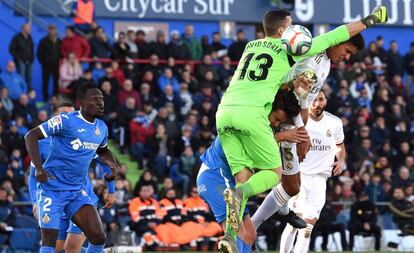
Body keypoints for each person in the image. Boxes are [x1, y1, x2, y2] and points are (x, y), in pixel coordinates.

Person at [215, 7, 387, 252]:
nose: (347, 57)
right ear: (284, 31)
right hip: (266, 118)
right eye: (292, 24)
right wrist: (371, 20)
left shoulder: (251, 45)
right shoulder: (297, 52)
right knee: (275, 175)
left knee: (259, 181)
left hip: (226, 111)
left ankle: (233, 236)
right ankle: (264, 215)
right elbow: (335, 36)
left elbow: (302, 98)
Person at [251, 34, 365, 239]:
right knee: (286, 182)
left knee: (290, 185)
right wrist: (303, 135)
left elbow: (304, 103)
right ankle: (251, 228)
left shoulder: (326, 63)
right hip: (280, 121)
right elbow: (295, 103)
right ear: (338, 42)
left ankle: (278, 214)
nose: (347, 57)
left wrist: (303, 131)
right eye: (347, 51)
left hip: (291, 124)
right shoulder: (311, 63)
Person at [197, 89, 303, 253]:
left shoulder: (260, 125)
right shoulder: (251, 122)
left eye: (279, 122)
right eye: (276, 119)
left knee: (250, 234)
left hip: (231, 180)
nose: (275, 124)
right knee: (236, 231)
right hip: (215, 176)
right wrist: (280, 137)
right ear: (270, 108)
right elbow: (254, 151)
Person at [24, 83, 119, 253]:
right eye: (95, 99)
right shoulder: (61, 126)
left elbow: (104, 153)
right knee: (53, 244)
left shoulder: (101, 128)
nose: (100, 103)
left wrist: (112, 182)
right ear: (81, 103)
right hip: (52, 191)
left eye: (102, 99)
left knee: (97, 238)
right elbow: (30, 136)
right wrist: (38, 172)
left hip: (77, 192)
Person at [273, 91, 347, 253]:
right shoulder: (299, 121)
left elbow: (339, 145)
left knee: (307, 227)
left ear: (325, 101)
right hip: (300, 176)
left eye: (320, 99)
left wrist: (341, 160)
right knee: (294, 224)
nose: (316, 104)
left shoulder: (334, 123)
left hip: (320, 179)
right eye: (313, 100)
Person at [37, 24, 61, 100]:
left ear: (56, 30)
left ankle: (55, 98)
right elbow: (39, 53)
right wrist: (43, 62)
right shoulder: (43, 41)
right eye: (50, 29)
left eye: (53, 29)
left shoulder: (60, 41)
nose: (51, 31)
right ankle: (45, 99)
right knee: (45, 83)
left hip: (56, 65)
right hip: (46, 66)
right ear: (48, 30)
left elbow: (62, 53)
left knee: (56, 83)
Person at [9, 23, 34, 89]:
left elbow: (32, 49)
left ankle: (28, 93)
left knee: (29, 78)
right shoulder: (16, 37)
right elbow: (11, 49)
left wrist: (32, 59)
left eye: (29, 28)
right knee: (21, 77)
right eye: (28, 28)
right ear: (23, 29)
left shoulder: (30, 38)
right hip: (20, 61)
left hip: (29, 61)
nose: (29, 29)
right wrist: (18, 58)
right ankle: (20, 92)